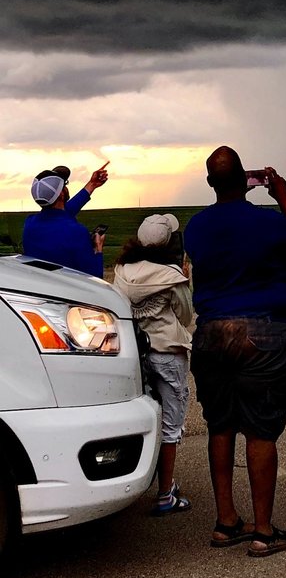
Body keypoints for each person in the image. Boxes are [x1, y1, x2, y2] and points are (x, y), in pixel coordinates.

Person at [184, 146, 286, 557]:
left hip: (211, 333)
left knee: (219, 425)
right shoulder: (267, 221)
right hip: (265, 332)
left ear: (210, 183)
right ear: (246, 180)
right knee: (260, 429)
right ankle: (263, 530)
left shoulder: (196, 227)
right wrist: (283, 196)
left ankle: (226, 521)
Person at [113, 213, 194, 516]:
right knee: (171, 423)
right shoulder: (171, 275)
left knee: (143, 417)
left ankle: (138, 481)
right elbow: (185, 315)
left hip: (136, 353)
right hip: (168, 352)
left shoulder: (122, 271)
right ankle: (165, 493)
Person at [22, 162, 110, 276]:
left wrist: (92, 184)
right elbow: (95, 277)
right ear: (62, 194)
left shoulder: (30, 224)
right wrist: (98, 249)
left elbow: (62, 213)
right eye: (64, 185)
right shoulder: (77, 232)